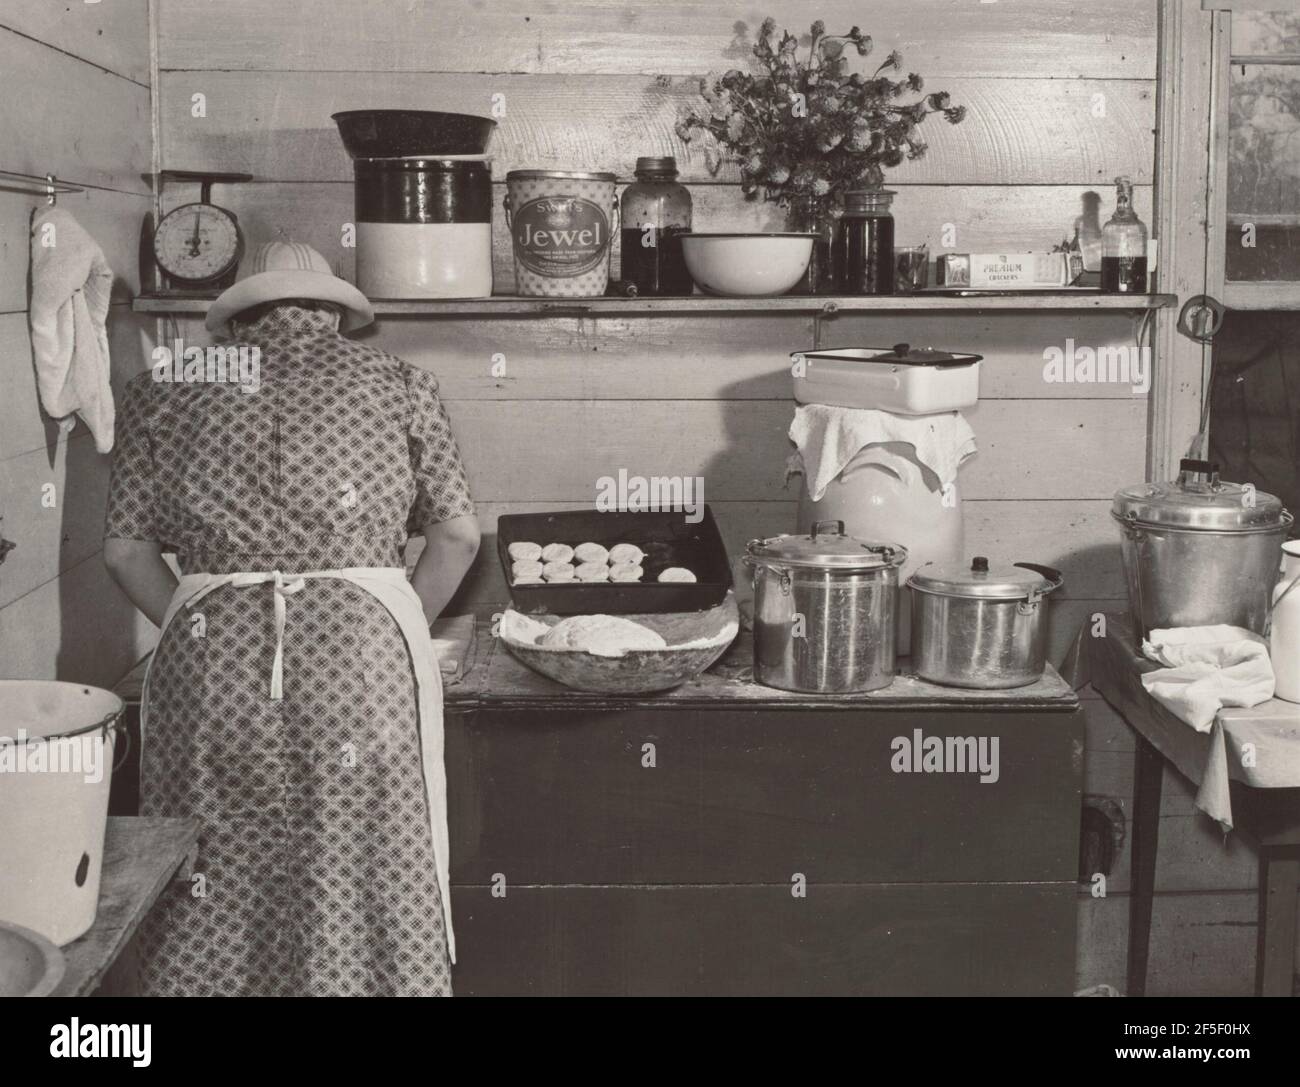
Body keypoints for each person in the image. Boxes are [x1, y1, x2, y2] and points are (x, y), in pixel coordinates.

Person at [104, 242, 479, 996]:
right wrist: (389, 615)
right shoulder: (402, 382)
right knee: (360, 858)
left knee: (208, 861)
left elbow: (122, 551)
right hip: (360, 662)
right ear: (337, 314)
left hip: (212, 668)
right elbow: (459, 537)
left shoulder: (163, 389)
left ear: (242, 316)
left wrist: (193, 612)